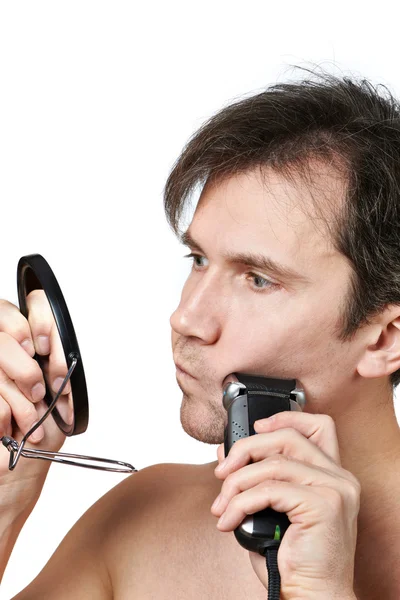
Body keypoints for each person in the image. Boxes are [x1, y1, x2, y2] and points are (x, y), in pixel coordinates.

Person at [1, 66, 400, 599]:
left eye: (258, 279)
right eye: (198, 258)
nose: (186, 319)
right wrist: (7, 499)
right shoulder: (140, 518)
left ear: (385, 338)